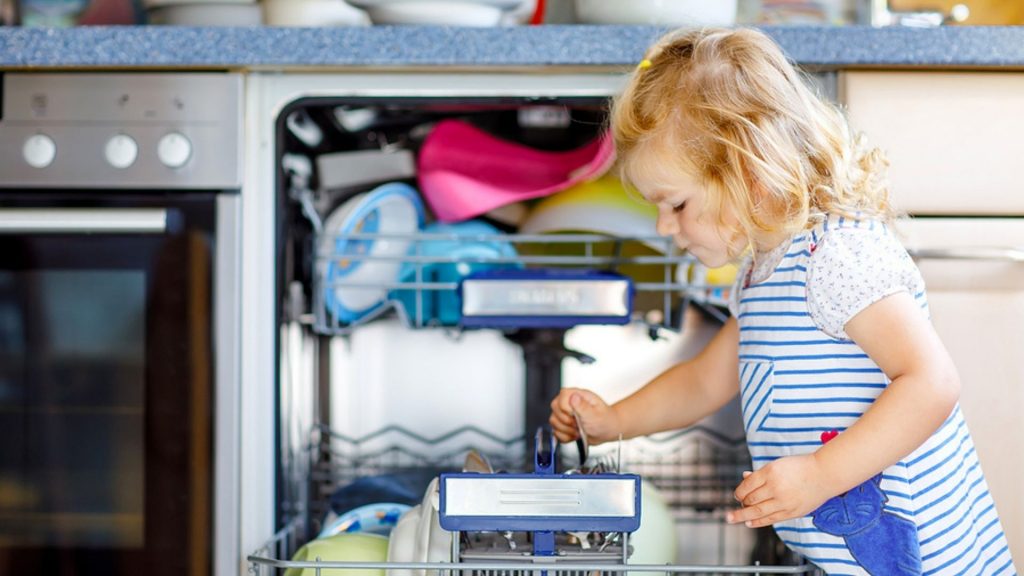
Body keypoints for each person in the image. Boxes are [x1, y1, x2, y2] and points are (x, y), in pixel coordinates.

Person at [549, 27, 1015, 575]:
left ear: (747, 171)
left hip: (923, 560)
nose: (663, 226)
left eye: (676, 204)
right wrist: (614, 420)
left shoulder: (838, 256)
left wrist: (821, 473)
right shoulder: (761, 269)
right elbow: (705, 381)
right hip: (838, 556)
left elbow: (931, 383)